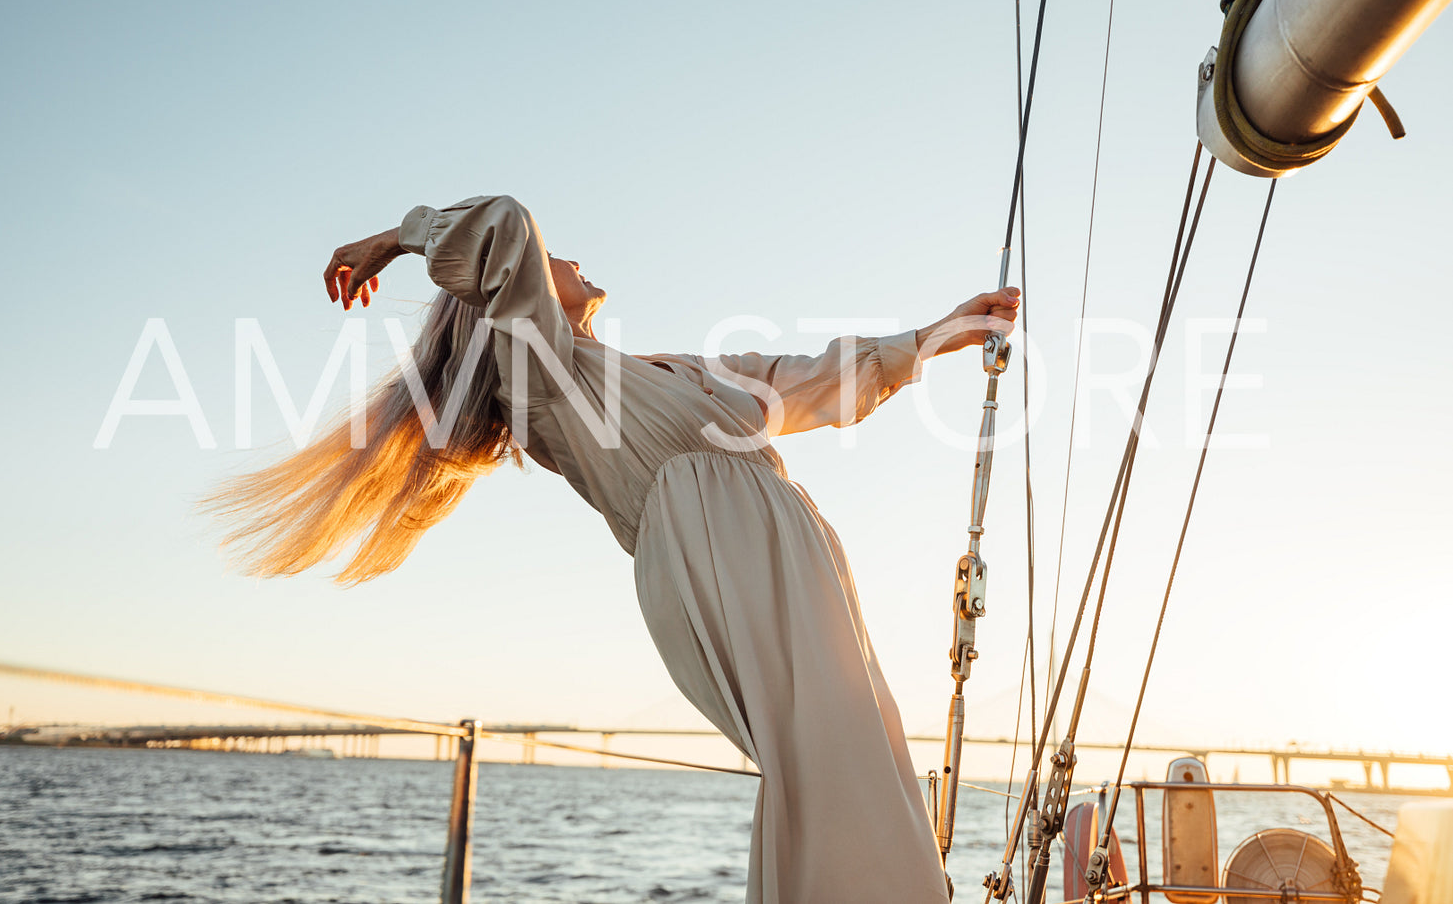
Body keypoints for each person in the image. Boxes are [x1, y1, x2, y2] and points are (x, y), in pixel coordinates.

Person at [206, 194, 1018, 903]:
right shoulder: (544, 373)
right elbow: (505, 224)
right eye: (555, 257)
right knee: (828, 759)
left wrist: (942, 331)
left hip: (793, 555)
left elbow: (803, 377)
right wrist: (400, 236)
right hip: (718, 557)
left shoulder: (673, 369)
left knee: (862, 750)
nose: (572, 256)